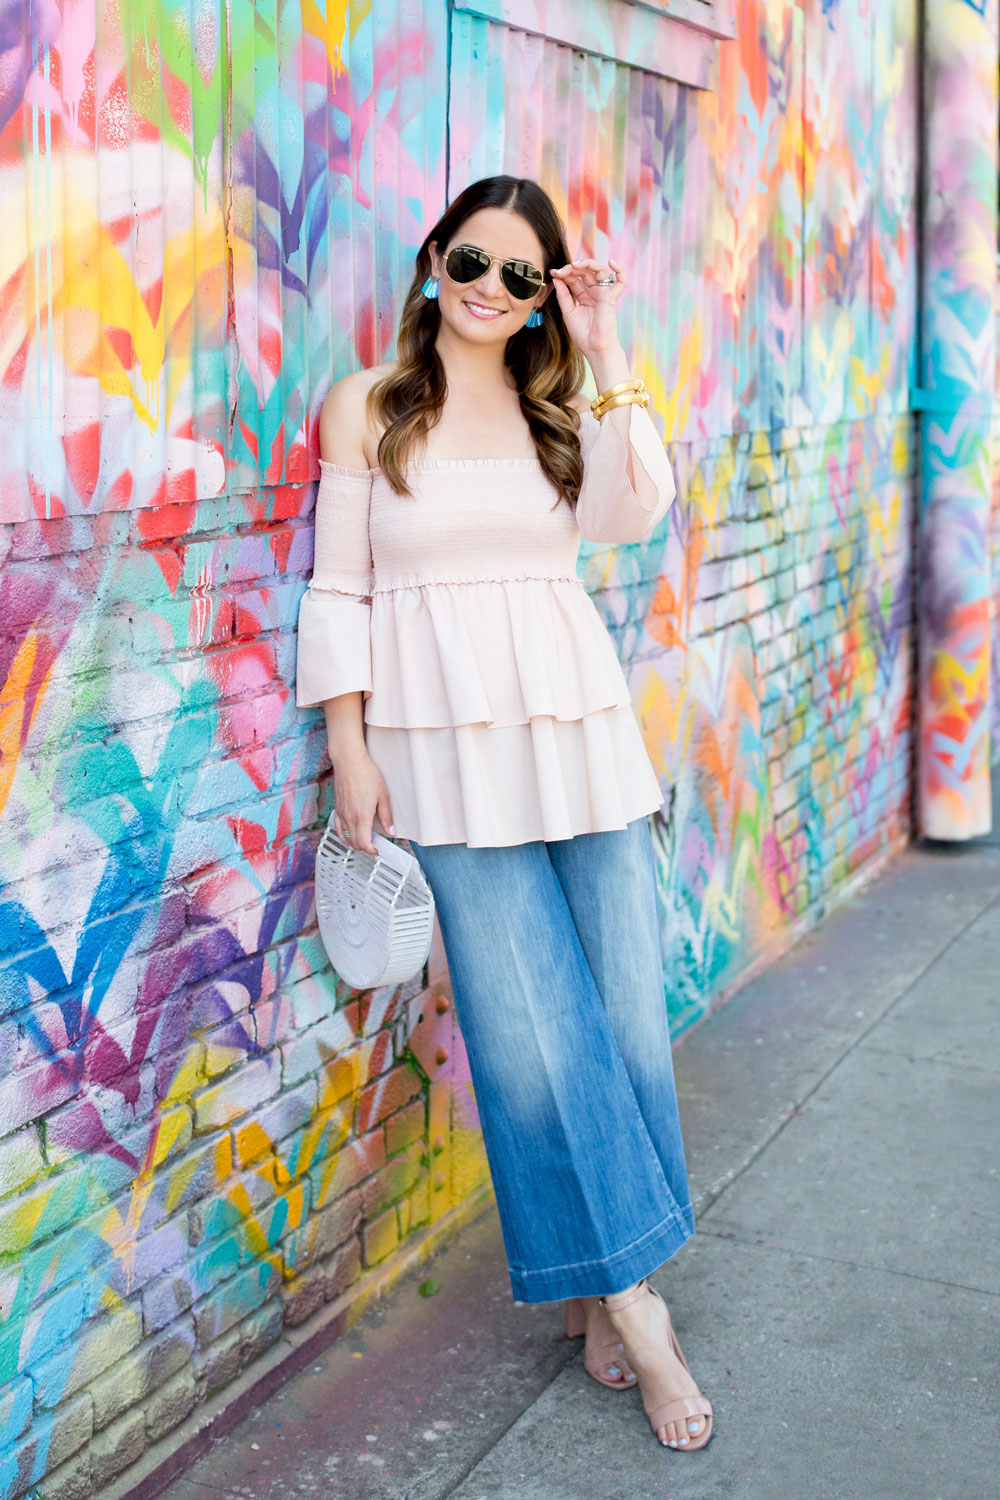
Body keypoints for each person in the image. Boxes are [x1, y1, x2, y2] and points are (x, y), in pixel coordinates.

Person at [296, 175, 713, 1453]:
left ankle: (599, 1285)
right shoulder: (369, 404)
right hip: (441, 756)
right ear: (434, 263)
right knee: (534, 1037)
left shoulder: (556, 406)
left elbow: (636, 510)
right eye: (472, 262)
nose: (490, 289)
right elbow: (339, 589)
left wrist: (605, 351)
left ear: (547, 294)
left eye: (522, 276)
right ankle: (640, 1312)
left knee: (626, 1021)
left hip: (579, 739)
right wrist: (348, 747)